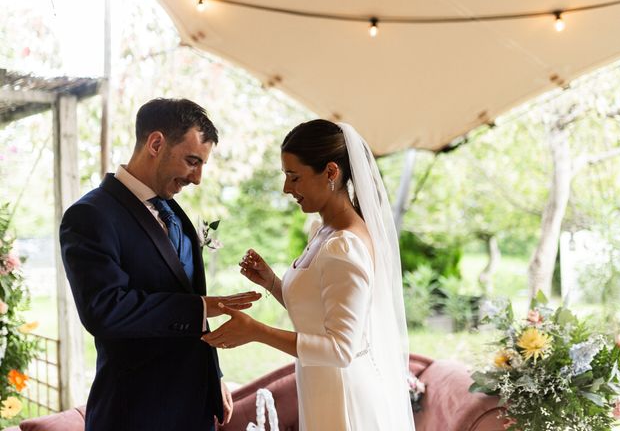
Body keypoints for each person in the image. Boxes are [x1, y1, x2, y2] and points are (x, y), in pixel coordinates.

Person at [59, 98, 261, 431]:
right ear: (156, 143)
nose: (196, 178)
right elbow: (104, 309)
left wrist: (213, 376)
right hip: (135, 413)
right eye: (192, 161)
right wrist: (198, 308)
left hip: (194, 409)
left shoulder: (176, 214)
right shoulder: (91, 215)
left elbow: (184, 289)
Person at [202, 119, 414, 430]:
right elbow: (321, 315)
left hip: (345, 396)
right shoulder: (322, 231)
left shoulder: (345, 246)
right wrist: (273, 283)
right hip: (321, 387)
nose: (287, 189)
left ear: (330, 172)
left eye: (294, 177)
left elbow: (341, 349)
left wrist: (256, 331)